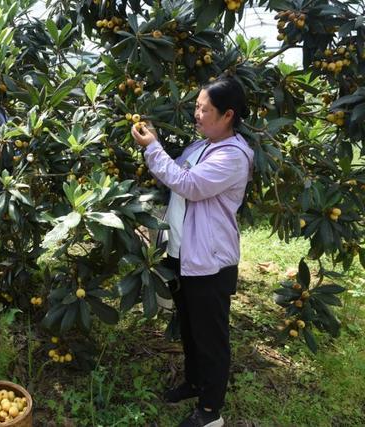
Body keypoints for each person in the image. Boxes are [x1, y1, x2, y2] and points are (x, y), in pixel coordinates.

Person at [131, 76, 254, 427]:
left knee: (211, 337)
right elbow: (174, 173)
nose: (197, 114)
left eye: (205, 109)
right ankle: (195, 383)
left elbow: (189, 184)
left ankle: (211, 412)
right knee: (189, 326)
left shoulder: (233, 155)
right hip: (182, 255)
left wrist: (152, 146)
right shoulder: (201, 146)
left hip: (211, 263)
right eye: (197, 106)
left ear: (228, 114)